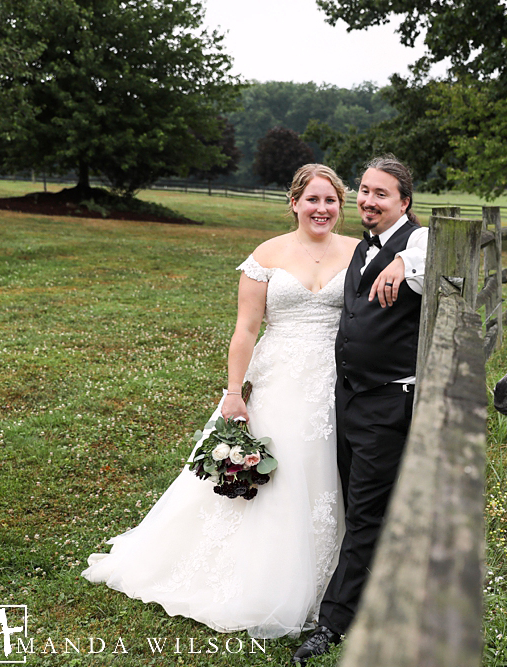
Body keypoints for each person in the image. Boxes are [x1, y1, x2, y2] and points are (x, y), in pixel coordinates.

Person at [82, 164, 360, 638]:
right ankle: (258, 580)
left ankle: (332, 580)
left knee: (326, 472)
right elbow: (246, 329)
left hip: (335, 380)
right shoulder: (266, 255)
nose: (322, 209)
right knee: (276, 472)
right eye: (312, 200)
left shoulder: (359, 252)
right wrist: (234, 392)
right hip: (277, 380)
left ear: (341, 205)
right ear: (294, 203)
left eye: (330, 200)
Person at [293, 155, 428, 664]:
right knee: (353, 503)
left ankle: (333, 623)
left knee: (366, 512)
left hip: (387, 401)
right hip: (347, 397)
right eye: (365, 191)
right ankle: (379, 584)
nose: (369, 201)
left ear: (405, 202)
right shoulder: (365, 245)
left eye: (382, 194)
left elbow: (439, 246)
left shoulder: (415, 244)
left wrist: (404, 259)